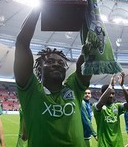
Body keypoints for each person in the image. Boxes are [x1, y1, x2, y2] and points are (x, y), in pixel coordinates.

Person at [14, 8, 92, 147]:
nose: (57, 64)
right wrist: (38, 8)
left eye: (61, 63)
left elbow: (89, 51)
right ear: (39, 68)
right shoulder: (31, 89)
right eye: (50, 62)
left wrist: (86, 11)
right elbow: (22, 43)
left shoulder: (74, 86)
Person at [93, 73, 128, 147]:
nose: (111, 96)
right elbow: (101, 102)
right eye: (109, 94)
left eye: (113, 93)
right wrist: (110, 85)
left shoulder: (117, 106)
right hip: (104, 144)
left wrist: (122, 86)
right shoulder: (96, 106)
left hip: (118, 144)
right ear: (102, 94)